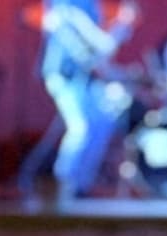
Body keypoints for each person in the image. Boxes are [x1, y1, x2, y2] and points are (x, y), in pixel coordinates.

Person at [39, 0, 140, 201]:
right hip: (64, 76)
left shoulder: (92, 5)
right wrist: (122, 24)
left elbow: (95, 56)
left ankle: (81, 185)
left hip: (85, 78)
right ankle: (62, 184)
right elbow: (101, 44)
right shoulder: (65, 6)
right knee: (81, 128)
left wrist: (119, 74)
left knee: (103, 124)